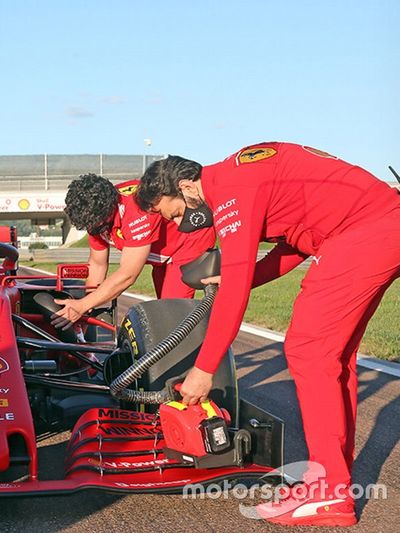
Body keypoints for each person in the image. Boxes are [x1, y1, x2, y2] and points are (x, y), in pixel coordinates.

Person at [136, 142, 400, 527]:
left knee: (308, 349)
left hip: (364, 230)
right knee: (332, 358)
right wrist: (240, 277)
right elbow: (295, 244)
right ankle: (331, 480)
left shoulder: (230, 189)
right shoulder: (240, 176)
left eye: (174, 213)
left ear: (187, 186)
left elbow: (236, 293)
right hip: (374, 225)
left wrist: (204, 369)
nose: (178, 224)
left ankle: (330, 492)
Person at [52, 173, 215, 328]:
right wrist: (86, 307)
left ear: (110, 208)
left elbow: (128, 275)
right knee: (162, 307)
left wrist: (83, 305)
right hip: (162, 248)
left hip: (188, 241)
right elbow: (97, 264)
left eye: (98, 226)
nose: (95, 230)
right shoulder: (93, 214)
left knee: (171, 313)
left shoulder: (137, 210)